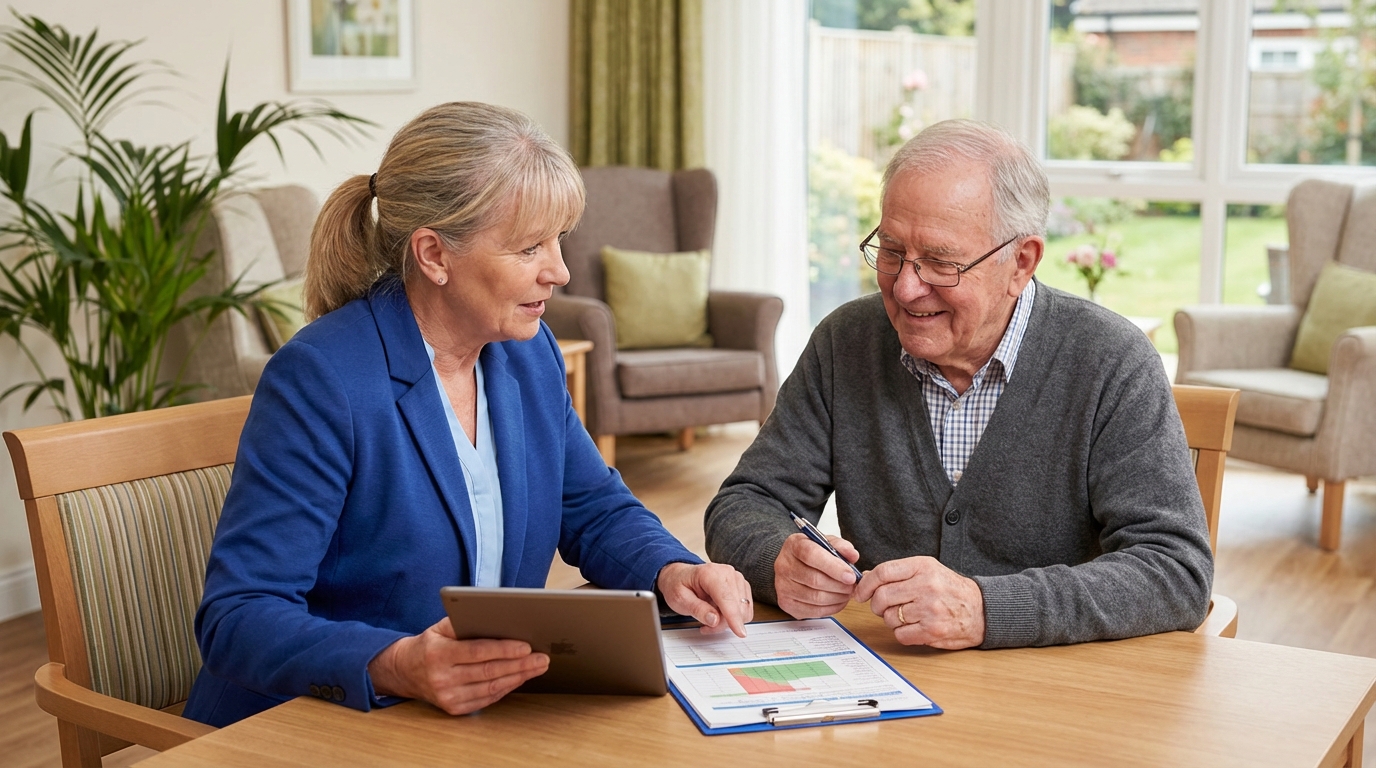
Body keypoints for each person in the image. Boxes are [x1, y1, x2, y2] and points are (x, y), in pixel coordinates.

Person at [185, 102, 752, 727]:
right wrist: (394, 662)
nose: (560, 271)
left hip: (466, 720)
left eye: (559, 240)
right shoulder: (321, 379)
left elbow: (591, 506)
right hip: (317, 724)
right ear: (434, 255)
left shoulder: (527, 353)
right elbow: (238, 616)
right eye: (529, 246)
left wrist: (673, 569)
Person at [704, 119, 1212, 650]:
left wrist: (985, 610)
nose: (905, 287)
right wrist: (777, 557)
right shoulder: (846, 342)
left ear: (1021, 263)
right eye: (892, 251)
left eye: (941, 264)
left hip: (1053, 691)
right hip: (884, 676)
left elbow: (1175, 569)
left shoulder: (1111, 360)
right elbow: (745, 502)